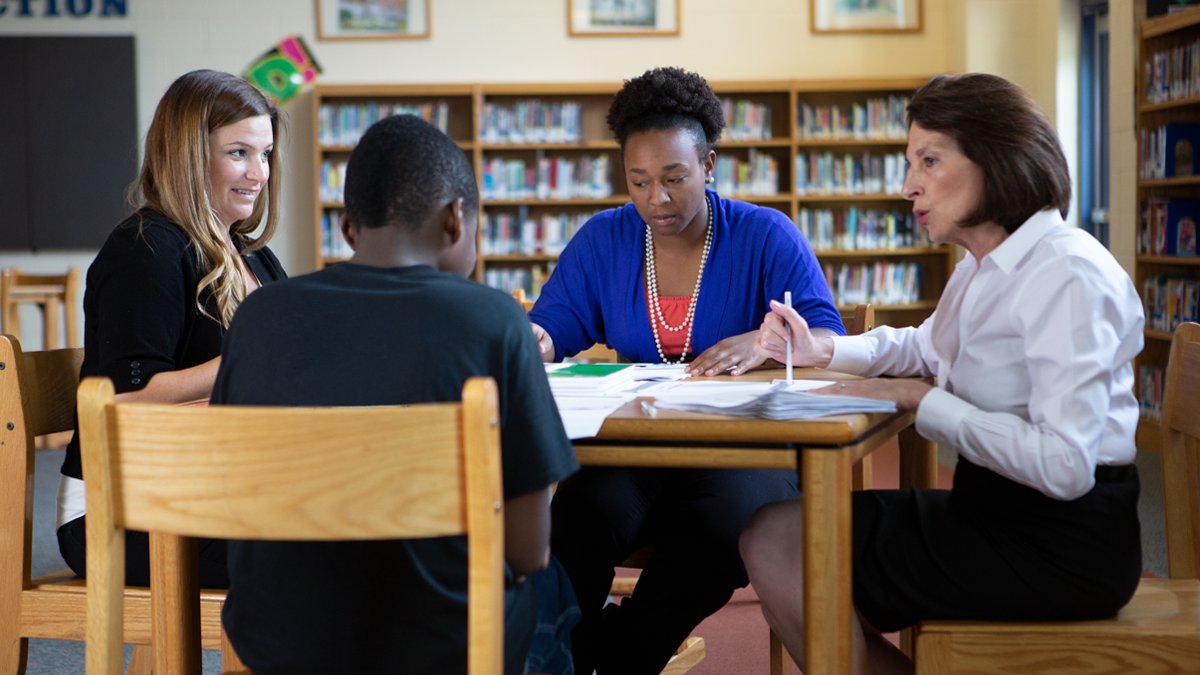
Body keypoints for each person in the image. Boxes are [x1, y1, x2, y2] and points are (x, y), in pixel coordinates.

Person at [742, 73, 1144, 674]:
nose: (908, 186)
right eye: (911, 163)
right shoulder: (983, 266)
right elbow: (925, 346)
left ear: (997, 159)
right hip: (994, 509)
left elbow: (1065, 466)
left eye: (929, 161)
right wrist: (823, 348)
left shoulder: (1067, 274)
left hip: (1063, 544)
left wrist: (922, 402)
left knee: (783, 545)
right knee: (777, 535)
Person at [210, 114, 581, 674]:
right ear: (456, 219)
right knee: (555, 587)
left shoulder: (259, 317)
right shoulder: (493, 321)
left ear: (347, 229)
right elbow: (528, 550)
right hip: (442, 643)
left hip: (281, 635)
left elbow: (229, 494)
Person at [530, 66, 843, 674]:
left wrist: (764, 340)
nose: (658, 199)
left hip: (744, 453)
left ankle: (622, 660)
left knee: (726, 533)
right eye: (639, 181)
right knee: (573, 522)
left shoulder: (765, 235)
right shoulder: (604, 239)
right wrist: (530, 339)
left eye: (675, 178)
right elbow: (553, 329)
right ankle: (579, 657)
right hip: (638, 447)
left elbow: (828, 336)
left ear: (708, 165)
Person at [57, 69, 287, 588]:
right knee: (331, 550)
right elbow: (122, 402)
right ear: (188, 155)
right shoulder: (146, 248)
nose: (259, 173)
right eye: (239, 153)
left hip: (220, 487)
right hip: (121, 512)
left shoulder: (256, 257)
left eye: (266, 154)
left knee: (368, 521)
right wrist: (249, 362)